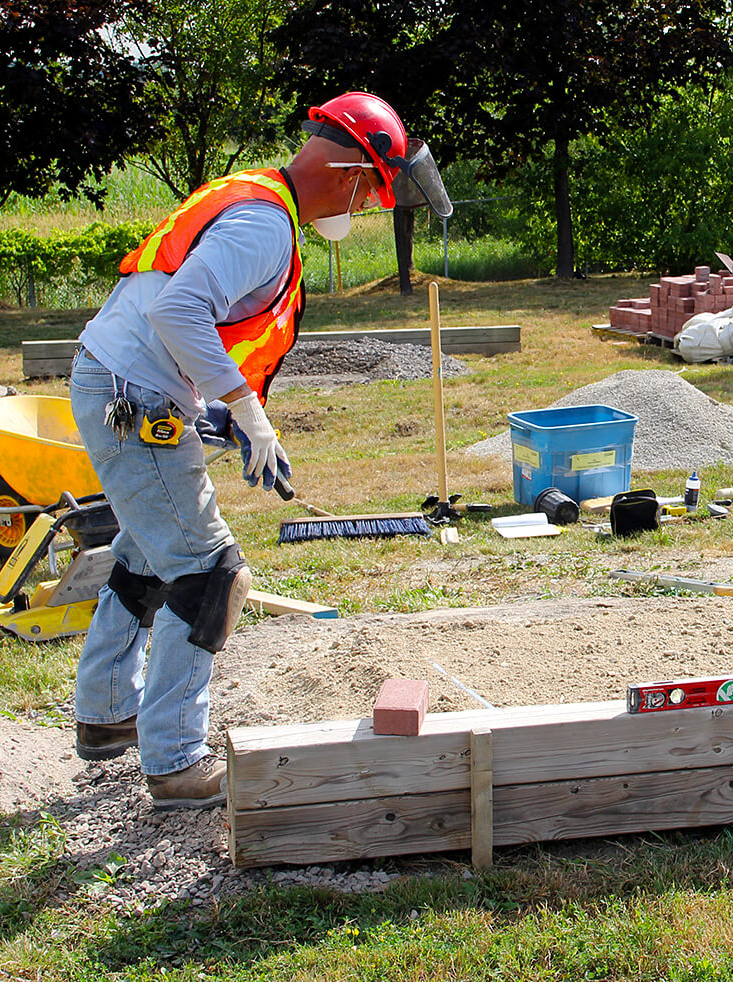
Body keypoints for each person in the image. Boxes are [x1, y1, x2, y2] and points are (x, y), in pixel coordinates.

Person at [68, 92, 451, 809]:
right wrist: (242, 404)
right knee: (211, 574)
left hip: (122, 382)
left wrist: (215, 408)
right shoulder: (265, 225)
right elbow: (175, 309)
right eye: (375, 191)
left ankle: (107, 713)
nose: (370, 207)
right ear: (347, 172)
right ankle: (177, 763)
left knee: (148, 555)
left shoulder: (253, 195)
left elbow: (173, 312)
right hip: (134, 395)